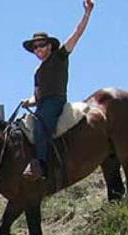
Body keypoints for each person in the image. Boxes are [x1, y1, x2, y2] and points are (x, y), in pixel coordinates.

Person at [21, 0, 95, 180]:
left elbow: (77, 34)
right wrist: (27, 102)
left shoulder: (59, 57)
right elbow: (38, 96)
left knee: (40, 125)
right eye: (35, 47)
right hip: (43, 104)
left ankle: (43, 166)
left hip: (56, 101)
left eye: (42, 45)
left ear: (50, 46)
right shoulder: (37, 71)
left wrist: (87, 13)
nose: (39, 49)